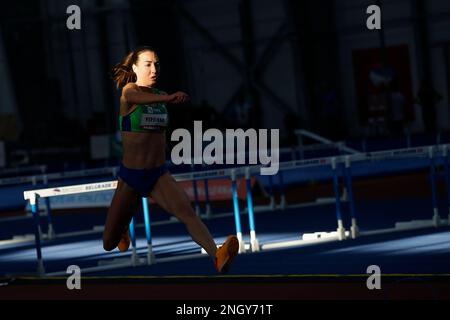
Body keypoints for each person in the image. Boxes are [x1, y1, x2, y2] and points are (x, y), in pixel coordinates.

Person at [106, 46, 239, 274]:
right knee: (109, 243)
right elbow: (135, 97)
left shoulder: (159, 97)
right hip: (131, 175)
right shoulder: (129, 91)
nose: (153, 68)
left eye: (156, 64)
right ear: (135, 67)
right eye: (148, 64)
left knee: (187, 213)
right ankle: (122, 229)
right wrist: (170, 97)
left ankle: (217, 255)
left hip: (158, 174)